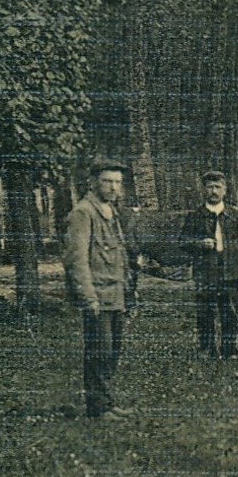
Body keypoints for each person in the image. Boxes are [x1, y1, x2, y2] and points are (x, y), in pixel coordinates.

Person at [64, 159, 139, 419]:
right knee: (99, 350)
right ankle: (97, 407)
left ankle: (106, 401)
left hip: (116, 293)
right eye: (107, 181)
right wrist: (88, 297)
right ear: (94, 182)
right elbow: (77, 259)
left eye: (117, 182)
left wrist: (129, 287)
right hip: (97, 294)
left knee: (113, 350)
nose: (113, 187)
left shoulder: (112, 212)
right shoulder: (83, 213)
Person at [179, 170, 238, 359]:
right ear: (203, 190)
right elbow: (183, 242)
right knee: (205, 311)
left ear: (225, 190)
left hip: (230, 270)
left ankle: (230, 349)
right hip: (206, 271)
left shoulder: (236, 215)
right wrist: (199, 243)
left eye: (218, 187)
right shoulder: (196, 216)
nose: (214, 191)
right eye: (210, 187)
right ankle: (207, 348)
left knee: (230, 311)